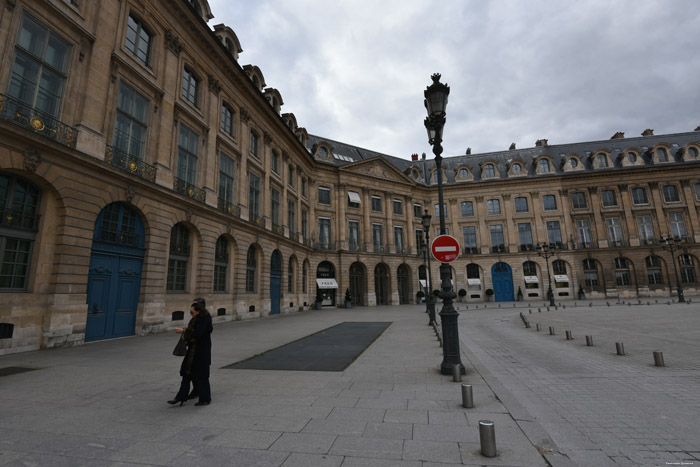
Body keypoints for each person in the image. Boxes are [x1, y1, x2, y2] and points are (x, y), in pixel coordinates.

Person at [168, 300, 213, 406]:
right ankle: (180, 397)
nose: (191, 313)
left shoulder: (205, 320)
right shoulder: (195, 319)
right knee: (186, 374)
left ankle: (205, 398)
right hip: (192, 350)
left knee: (202, 376)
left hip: (201, 352)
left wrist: (184, 331)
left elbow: (197, 334)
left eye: (192, 311)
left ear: (198, 311)